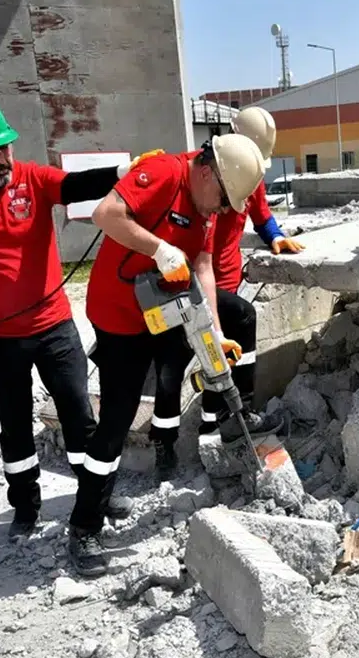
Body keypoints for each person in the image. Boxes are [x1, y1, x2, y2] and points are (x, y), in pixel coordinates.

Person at [0, 94, 147, 539]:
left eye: (5, 147)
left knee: (80, 416)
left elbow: (74, 185)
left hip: (54, 328)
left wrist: (124, 173)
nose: (1, 158)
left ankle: (97, 499)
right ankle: (25, 509)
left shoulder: (31, 180)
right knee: (14, 427)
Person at [68, 133, 276, 575]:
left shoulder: (207, 203)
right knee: (118, 416)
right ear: (206, 172)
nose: (222, 210)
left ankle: (223, 420)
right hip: (118, 313)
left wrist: (215, 335)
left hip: (159, 307)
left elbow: (202, 264)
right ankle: (84, 526)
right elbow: (106, 214)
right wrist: (159, 248)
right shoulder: (164, 173)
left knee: (202, 349)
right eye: (222, 199)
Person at [147, 105, 303, 478]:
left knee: (223, 357)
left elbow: (262, 214)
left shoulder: (251, 175)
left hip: (225, 283)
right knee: (172, 365)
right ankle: (164, 445)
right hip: (187, 285)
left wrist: (276, 237)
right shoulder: (199, 171)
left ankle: (214, 424)